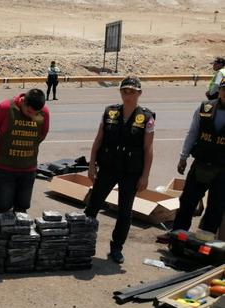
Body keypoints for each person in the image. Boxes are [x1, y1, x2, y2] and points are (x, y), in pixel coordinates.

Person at [84, 76, 155, 264]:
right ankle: (82, 240)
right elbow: (98, 140)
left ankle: (116, 248)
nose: (127, 95)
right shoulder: (110, 112)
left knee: (125, 212)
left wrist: (145, 176)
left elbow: (148, 150)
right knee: (93, 205)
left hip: (130, 172)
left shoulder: (146, 117)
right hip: (108, 167)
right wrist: (92, 165)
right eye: (124, 91)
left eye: (132, 91)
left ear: (139, 93)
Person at [165, 78, 225, 236]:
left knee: (216, 207)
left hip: (222, 169)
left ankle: (205, 242)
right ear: (219, 90)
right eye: (224, 89)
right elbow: (192, 133)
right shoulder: (205, 108)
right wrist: (183, 157)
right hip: (201, 164)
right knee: (187, 202)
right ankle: (178, 235)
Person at [0, 88, 50, 213]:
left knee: (22, 206)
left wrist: (28, 145)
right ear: (23, 101)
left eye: (35, 114)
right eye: (29, 111)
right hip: (5, 169)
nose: (32, 116)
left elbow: (43, 134)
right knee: (2, 206)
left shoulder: (44, 112)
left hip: (28, 170)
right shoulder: (5, 108)